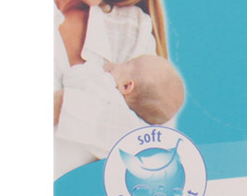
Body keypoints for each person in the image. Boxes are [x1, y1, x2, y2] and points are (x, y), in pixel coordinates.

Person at [53, 0, 180, 177]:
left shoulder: (130, 28)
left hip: (87, 195)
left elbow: (153, 142)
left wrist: (62, 105)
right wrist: (102, 115)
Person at [53, 55, 185, 138]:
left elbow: (72, 77)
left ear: (126, 86)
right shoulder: (125, 120)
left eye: (126, 63)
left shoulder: (104, 88)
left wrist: (96, 69)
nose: (114, 63)